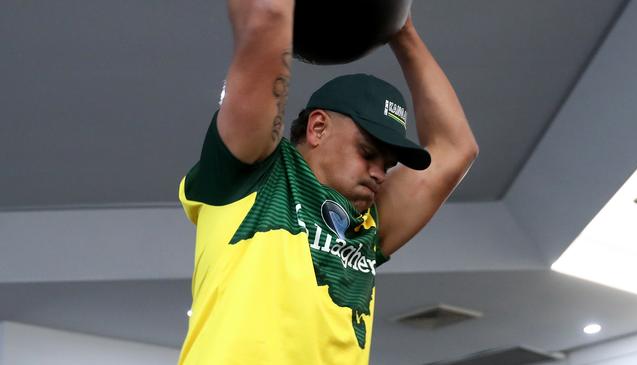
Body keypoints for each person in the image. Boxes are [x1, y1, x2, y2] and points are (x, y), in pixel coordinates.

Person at [177, 1, 478, 364]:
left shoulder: (366, 227)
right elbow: (265, 15)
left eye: (387, 164)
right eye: (367, 152)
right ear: (318, 128)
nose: (380, 174)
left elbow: (456, 148)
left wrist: (401, 28)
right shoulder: (251, 172)